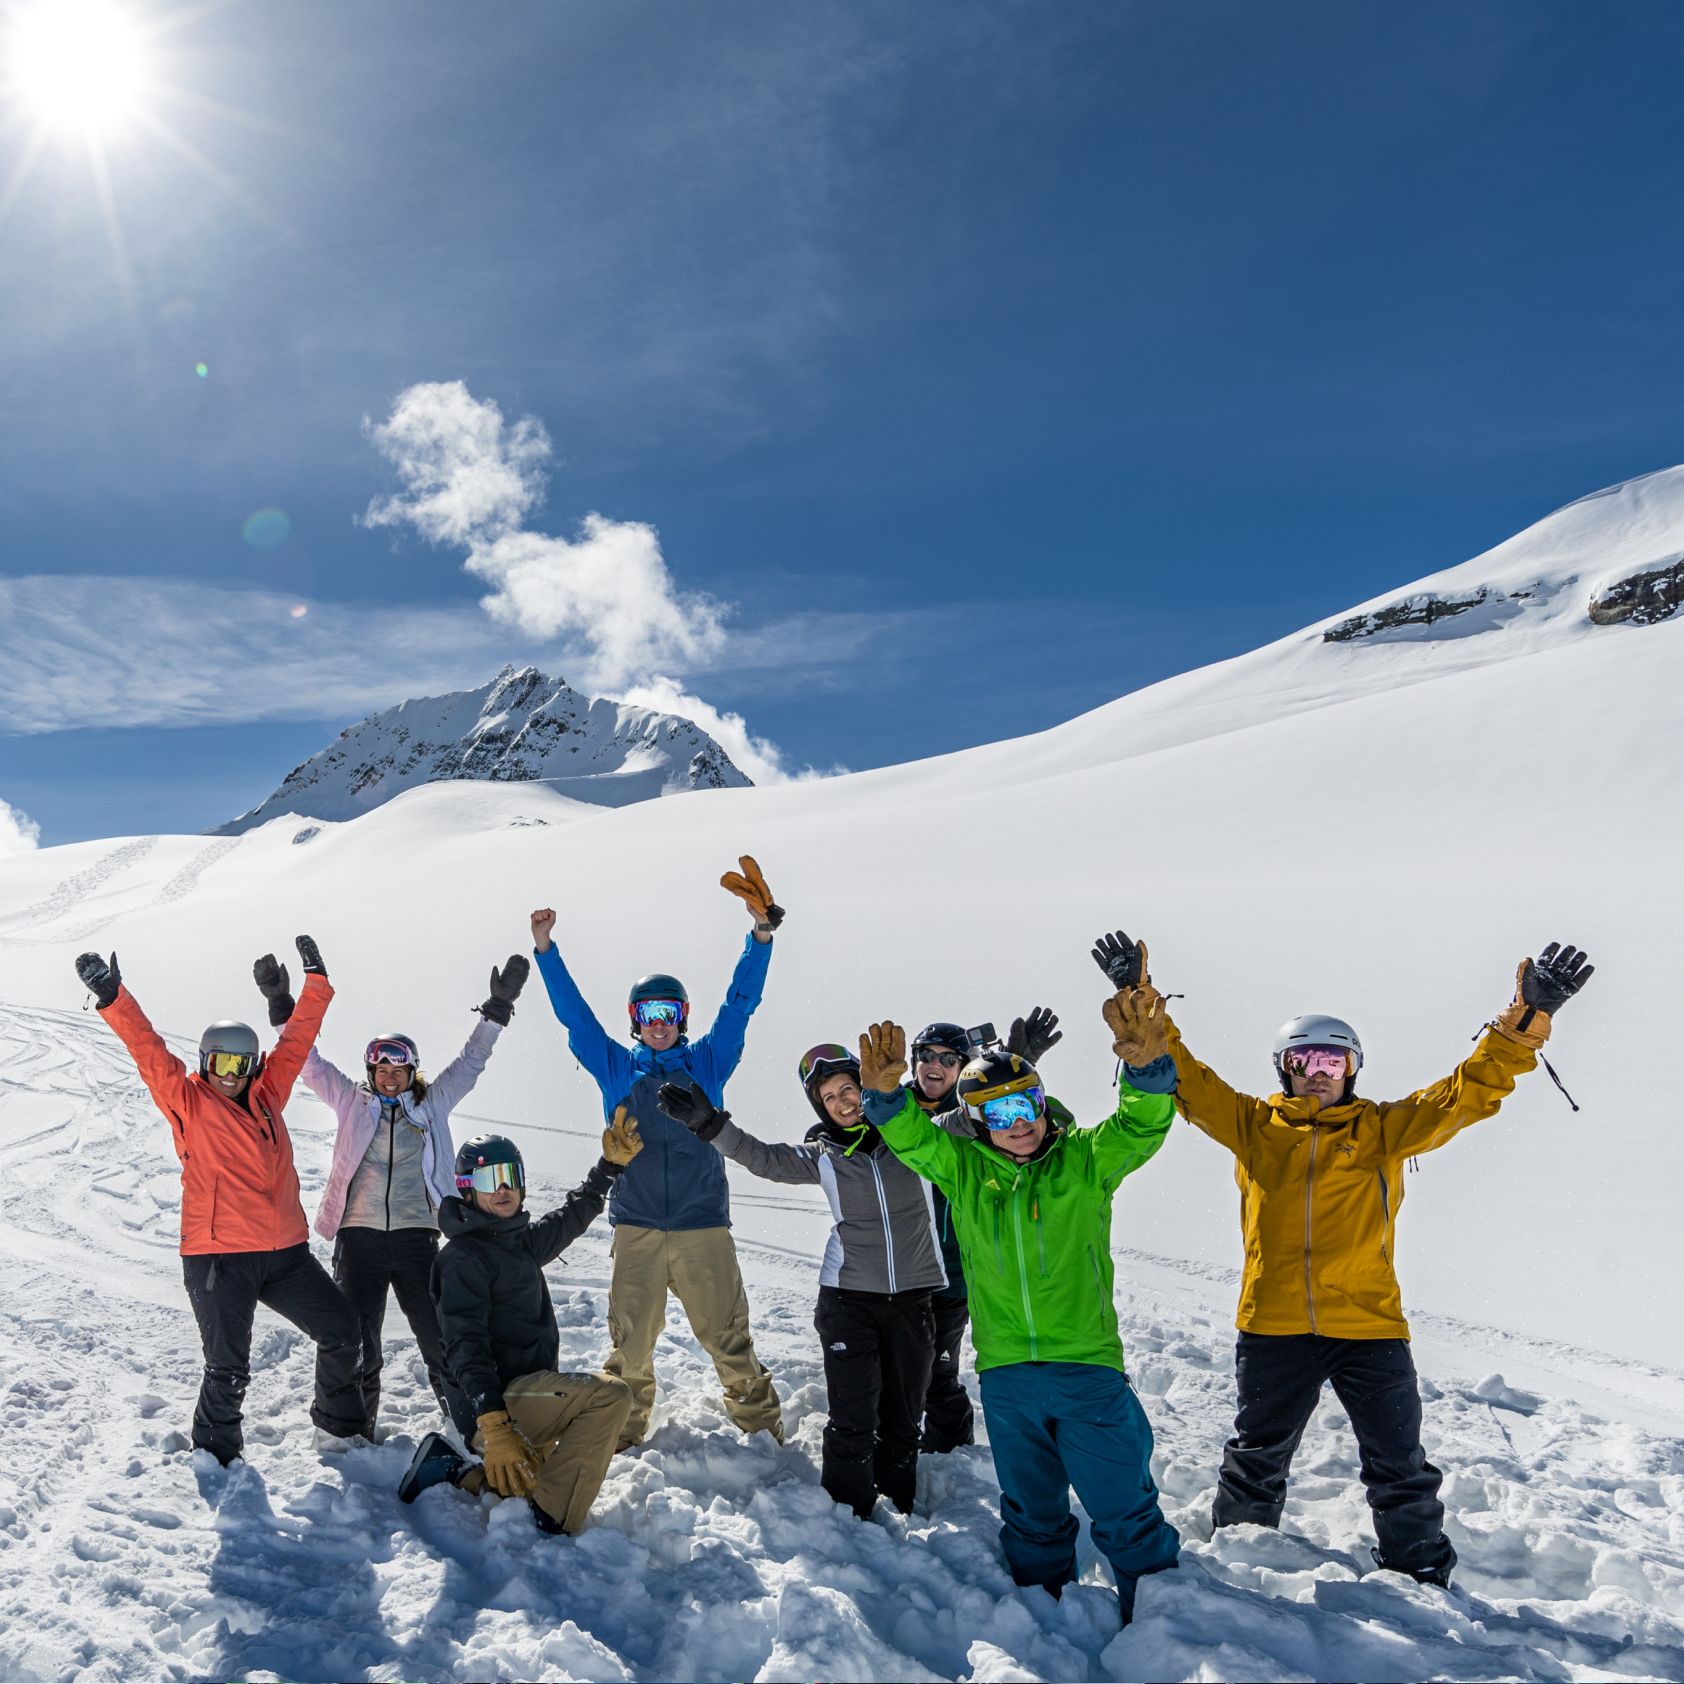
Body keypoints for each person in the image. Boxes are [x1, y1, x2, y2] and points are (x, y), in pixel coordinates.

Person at [1139, 930, 1596, 1588]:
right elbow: (1183, 1072)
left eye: (1334, 1060)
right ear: (1284, 1068)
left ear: (1352, 1068)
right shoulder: (1252, 1125)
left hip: (1370, 1328)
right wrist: (1138, 1001)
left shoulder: (1386, 1129)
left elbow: (1468, 1091)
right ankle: (1238, 1563)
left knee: (1399, 1464)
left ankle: (1419, 1572)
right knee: (1256, 1455)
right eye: (1307, 1060)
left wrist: (1523, 1022)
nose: (1320, 1071)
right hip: (1274, 1325)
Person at [858, 988, 1182, 1627]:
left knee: (1124, 1506)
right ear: (977, 1121)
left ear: (1042, 1100)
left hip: (1086, 1371)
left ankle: (1164, 1624)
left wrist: (1147, 1072)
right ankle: (1046, 1619)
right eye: (998, 1109)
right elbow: (910, 1138)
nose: (1017, 1119)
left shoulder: (1085, 1162)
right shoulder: (963, 1172)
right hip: (1007, 1378)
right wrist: (886, 1098)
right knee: (1032, 1511)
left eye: (1025, 1102)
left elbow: (1140, 1125)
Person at [73, 939, 365, 1465]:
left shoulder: (267, 1093)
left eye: (241, 1062)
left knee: (343, 1329)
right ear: (205, 1061)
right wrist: (114, 996)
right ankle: (215, 1457)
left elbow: (296, 1043)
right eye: (220, 1061)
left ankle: (341, 1431)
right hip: (219, 1258)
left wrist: (316, 984)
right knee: (228, 1366)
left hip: (285, 1256)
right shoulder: (186, 1100)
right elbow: (148, 1050)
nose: (230, 1072)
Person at [528, 855, 785, 1449]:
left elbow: (739, 1006)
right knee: (631, 1346)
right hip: (638, 1228)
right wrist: (547, 950)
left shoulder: (709, 1065)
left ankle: (761, 1429)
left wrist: (761, 937)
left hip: (703, 1227)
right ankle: (624, 1431)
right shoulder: (616, 1067)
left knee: (729, 1338)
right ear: (636, 1022)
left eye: (670, 1012)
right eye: (649, 1014)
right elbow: (575, 1018)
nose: (660, 1023)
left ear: (683, 1018)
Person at [657, 1043, 945, 1518]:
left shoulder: (913, 1140)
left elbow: (966, 1117)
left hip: (913, 1299)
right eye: (829, 1097)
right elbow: (762, 1158)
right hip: (848, 1301)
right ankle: (848, 1513)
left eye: (848, 1089)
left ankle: (901, 1504)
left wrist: (1011, 1060)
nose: (843, 1102)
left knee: (903, 1416)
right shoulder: (823, 1156)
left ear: (865, 1087)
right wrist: (710, 1126)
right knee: (854, 1416)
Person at [282, 953, 530, 1440]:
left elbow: (471, 1062)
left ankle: (467, 1426)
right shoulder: (352, 1101)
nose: (390, 1074)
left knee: (440, 1338)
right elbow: (306, 1062)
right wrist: (283, 1005)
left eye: (400, 1066)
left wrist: (497, 1010)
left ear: (412, 1070)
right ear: (370, 1070)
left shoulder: (432, 1103)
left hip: (419, 1238)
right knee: (357, 1340)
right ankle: (347, 1430)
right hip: (359, 1239)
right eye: (381, 1065)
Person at [398, 1118, 643, 1533]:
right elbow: (464, 1347)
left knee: (529, 1482)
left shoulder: (517, 1242)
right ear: (467, 1187)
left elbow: (571, 1216)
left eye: (511, 1175)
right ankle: (550, 1521)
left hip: (526, 1393)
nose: (504, 1188)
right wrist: (493, 1426)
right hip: (496, 1404)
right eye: (491, 1178)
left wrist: (608, 1168)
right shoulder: (462, 1258)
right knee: (610, 1398)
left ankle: (456, 1469)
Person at [908, 1011, 1061, 1455]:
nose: (935, 1065)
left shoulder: (978, 1120)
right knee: (896, 1365)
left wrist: (1017, 1063)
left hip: (954, 1270)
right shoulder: (891, 1108)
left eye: (949, 1058)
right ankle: (895, 1442)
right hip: (897, 1267)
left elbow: (1027, 1125)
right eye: (926, 1055)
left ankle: (950, 1455)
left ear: (963, 1068)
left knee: (938, 1368)